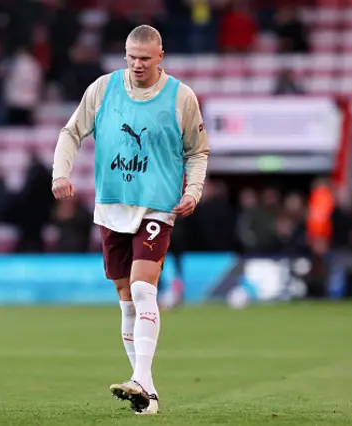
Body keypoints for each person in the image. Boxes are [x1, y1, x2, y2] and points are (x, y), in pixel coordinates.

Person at [51, 25, 209, 414]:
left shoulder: (180, 97)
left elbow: (198, 151)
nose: (137, 64)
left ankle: (139, 378)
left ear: (160, 57)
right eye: (131, 57)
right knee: (125, 301)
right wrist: (60, 173)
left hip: (158, 207)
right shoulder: (103, 89)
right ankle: (147, 393)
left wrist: (193, 192)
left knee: (142, 289)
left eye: (145, 58)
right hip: (112, 206)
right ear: (125, 55)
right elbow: (71, 132)